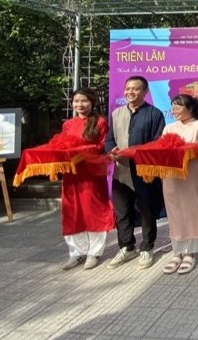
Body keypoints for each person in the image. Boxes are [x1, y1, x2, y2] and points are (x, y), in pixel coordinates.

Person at [105, 76, 166, 269]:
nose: (130, 92)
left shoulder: (154, 114)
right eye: (128, 88)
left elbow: (158, 142)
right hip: (121, 171)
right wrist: (112, 150)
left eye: (136, 89)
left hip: (144, 170)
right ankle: (126, 246)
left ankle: (147, 247)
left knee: (147, 210)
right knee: (122, 211)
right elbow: (109, 138)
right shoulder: (116, 113)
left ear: (145, 92)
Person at [60, 87, 115, 271]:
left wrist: (83, 150)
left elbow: (103, 146)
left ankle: (94, 253)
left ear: (92, 102)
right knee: (72, 210)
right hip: (72, 173)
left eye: (84, 101)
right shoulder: (68, 124)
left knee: (93, 210)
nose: (80, 104)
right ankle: (76, 253)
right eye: (76, 101)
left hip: (92, 173)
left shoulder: (100, 122)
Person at [160, 94, 198, 275]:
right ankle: (177, 251)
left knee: (191, 211)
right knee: (175, 212)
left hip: (190, 175)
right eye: (173, 106)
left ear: (190, 108)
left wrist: (182, 152)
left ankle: (190, 252)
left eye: (178, 106)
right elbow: (161, 149)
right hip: (171, 177)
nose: (174, 110)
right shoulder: (169, 127)